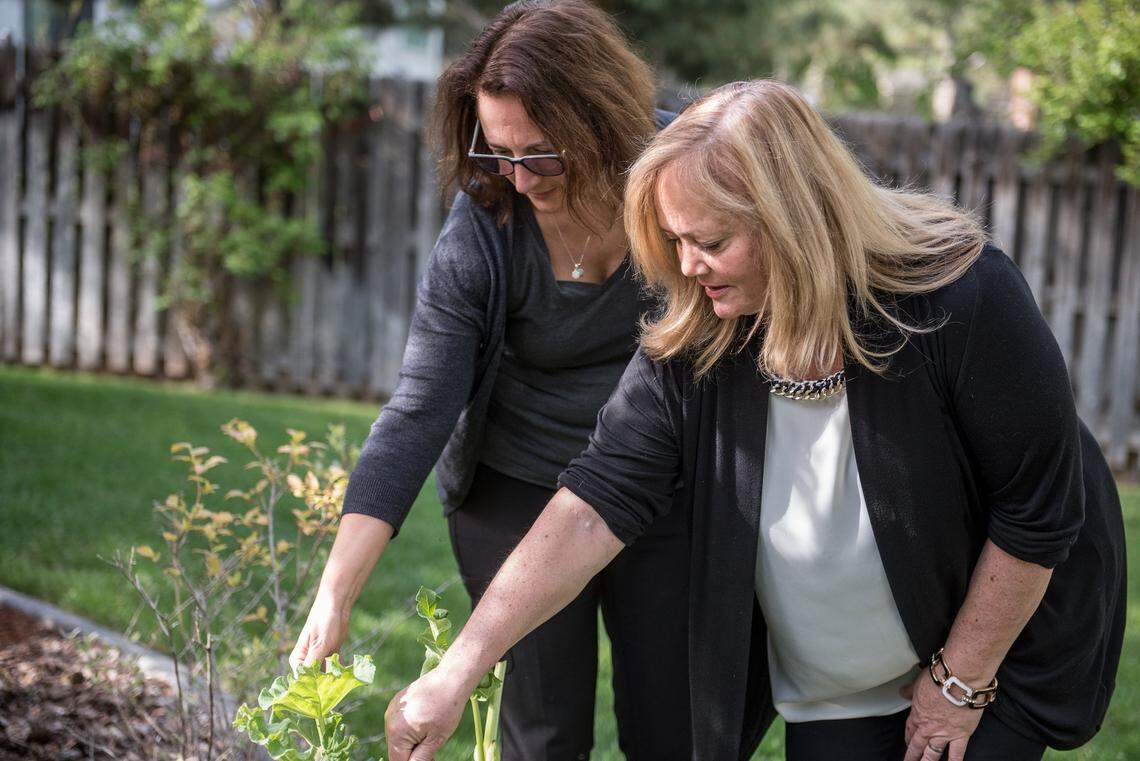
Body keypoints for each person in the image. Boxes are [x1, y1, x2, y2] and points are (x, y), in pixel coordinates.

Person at [382, 80, 1126, 761]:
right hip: (830, 695)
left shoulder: (962, 297)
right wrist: (459, 669)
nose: (688, 265)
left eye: (710, 241)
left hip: (979, 667)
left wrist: (957, 684)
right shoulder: (700, 336)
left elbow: (1038, 510)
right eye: (675, 241)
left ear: (796, 221)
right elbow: (589, 507)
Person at [289, 2, 693, 759]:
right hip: (516, 481)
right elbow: (419, 409)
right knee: (542, 731)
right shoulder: (485, 223)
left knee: (674, 725)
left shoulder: (678, 173)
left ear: (599, 121)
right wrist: (336, 591)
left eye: (541, 153)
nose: (516, 174)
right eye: (497, 149)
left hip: (657, 481)